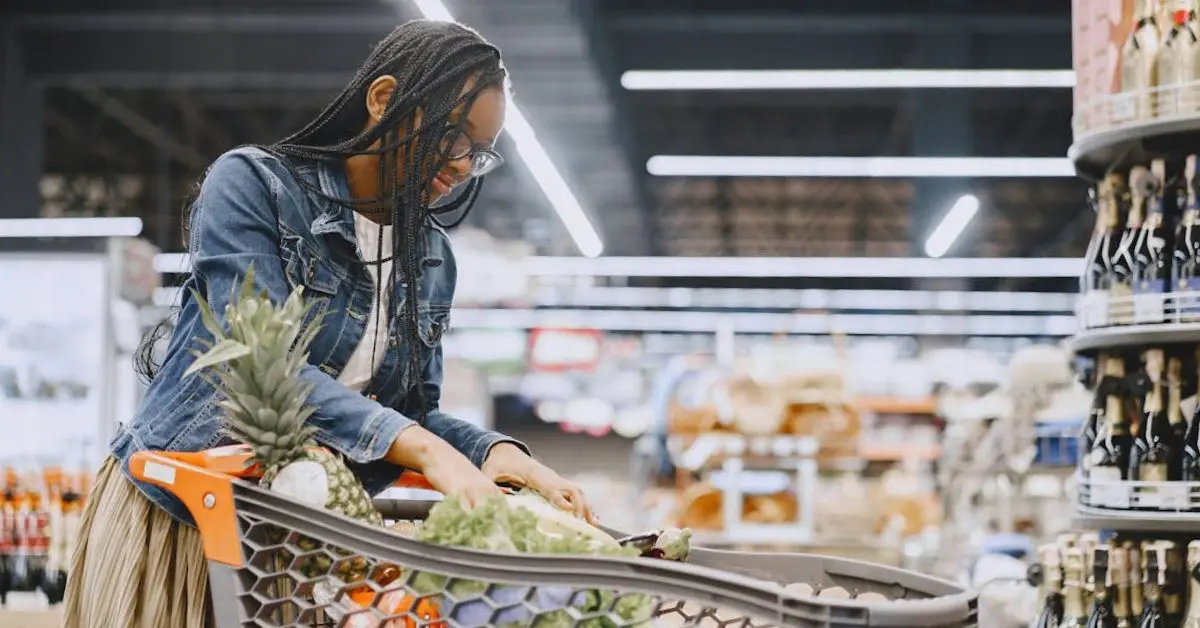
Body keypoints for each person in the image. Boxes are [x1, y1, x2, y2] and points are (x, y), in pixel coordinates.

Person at [63, 20, 594, 628]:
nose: (462, 164)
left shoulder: (432, 257)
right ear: (383, 99)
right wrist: (425, 448)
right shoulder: (254, 186)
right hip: (183, 513)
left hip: (302, 536)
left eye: (479, 152)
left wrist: (492, 451)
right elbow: (252, 360)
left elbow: (407, 411)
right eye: (454, 135)